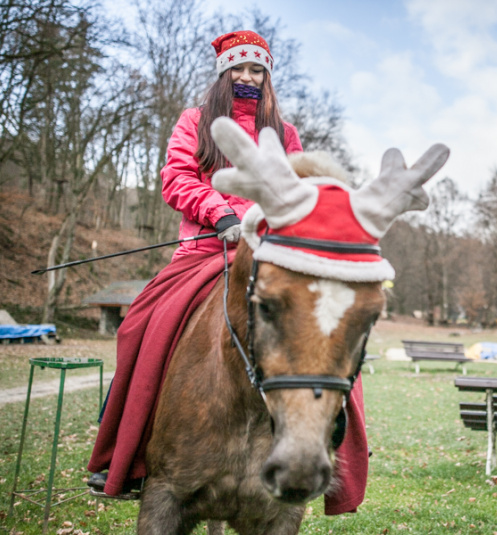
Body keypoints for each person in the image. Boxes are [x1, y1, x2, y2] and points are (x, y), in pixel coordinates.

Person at [86, 30, 369, 515]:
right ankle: (123, 452)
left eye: (257, 69)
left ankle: (336, 455)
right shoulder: (194, 121)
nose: (247, 77)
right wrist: (220, 215)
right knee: (138, 325)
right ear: (223, 73)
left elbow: (300, 191)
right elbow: (176, 177)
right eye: (238, 68)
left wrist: (267, 226)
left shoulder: (286, 132)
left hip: (269, 251)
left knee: (328, 332)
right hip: (203, 250)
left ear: (267, 77)